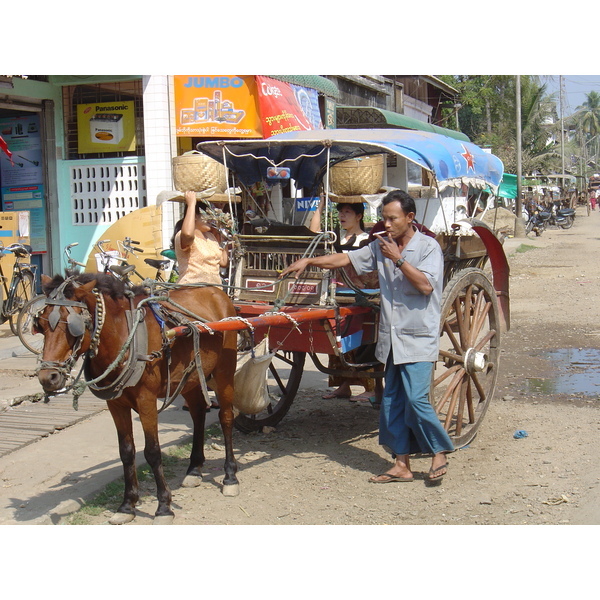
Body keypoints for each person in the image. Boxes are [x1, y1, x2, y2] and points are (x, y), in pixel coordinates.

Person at [281, 189, 454, 484]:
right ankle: (402, 465)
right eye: (384, 218)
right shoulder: (380, 246)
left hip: (417, 336)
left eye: (392, 218)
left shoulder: (428, 248)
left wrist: (398, 260)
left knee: (416, 399)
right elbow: (346, 259)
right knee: (393, 401)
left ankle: (439, 451)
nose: (386, 224)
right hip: (392, 338)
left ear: (409, 218)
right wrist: (310, 262)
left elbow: (426, 286)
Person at [309, 197, 382, 404]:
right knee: (336, 341)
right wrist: (321, 206)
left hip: (361, 296)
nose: (342, 216)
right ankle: (344, 385)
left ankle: (371, 387)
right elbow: (313, 236)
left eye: (348, 212)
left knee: (361, 341)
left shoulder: (366, 241)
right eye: (341, 212)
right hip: (336, 295)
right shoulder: (335, 238)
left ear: (359, 216)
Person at [172, 190, 229, 410]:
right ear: (194, 217)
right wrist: (191, 202)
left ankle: (207, 387)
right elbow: (187, 235)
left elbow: (223, 262)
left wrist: (224, 234)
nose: (211, 220)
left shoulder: (212, 237)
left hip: (215, 296)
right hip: (191, 294)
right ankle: (191, 393)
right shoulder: (184, 237)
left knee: (214, 346)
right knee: (193, 345)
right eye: (205, 215)